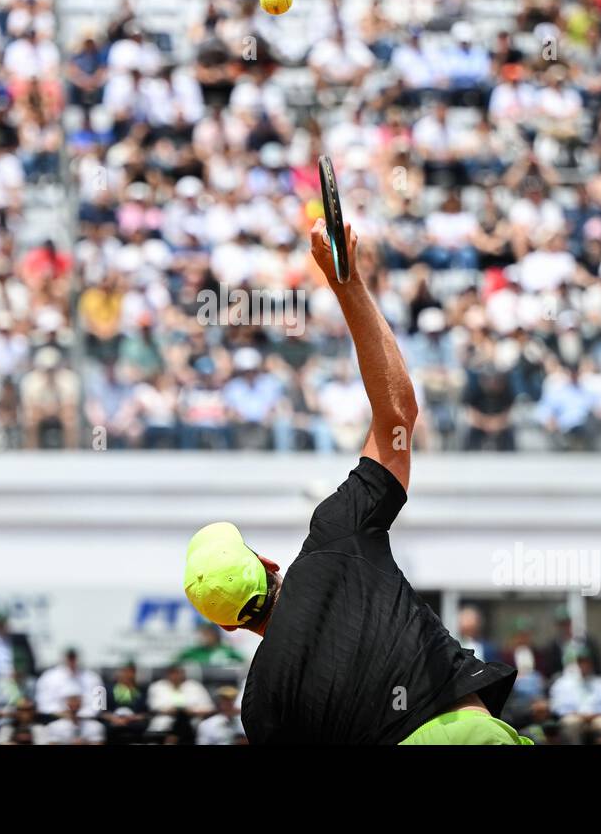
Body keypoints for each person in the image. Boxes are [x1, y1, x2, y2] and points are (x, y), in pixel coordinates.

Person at [182, 220, 523, 744]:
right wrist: (347, 284)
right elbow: (398, 417)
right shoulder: (335, 534)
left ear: (228, 626)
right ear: (268, 563)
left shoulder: (261, 708)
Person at [549, 647, 601, 744]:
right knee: (570, 723)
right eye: (581, 662)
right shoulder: (563, 682)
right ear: (576, 663)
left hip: (596, 717)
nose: (584, 665)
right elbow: (557, 707)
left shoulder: (600, 682)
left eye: (587, 662)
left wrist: (594, 715)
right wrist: (578, 715)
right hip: (574, 716)